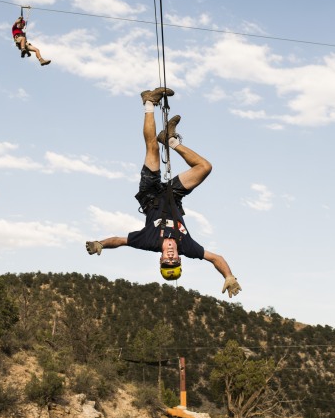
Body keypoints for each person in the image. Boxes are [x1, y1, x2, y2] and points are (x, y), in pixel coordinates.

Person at [85, 86, 242, 298]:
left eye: (167, 262)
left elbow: (119, 241)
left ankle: (148, 102)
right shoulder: (188, 247)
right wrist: (229, 276)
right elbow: (216, 258)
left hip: (150, 195)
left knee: (151, 150)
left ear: (160, 260)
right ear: (179, 258)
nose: (170, 257)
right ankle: (170, 139)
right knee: (205, 167)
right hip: (172, 195)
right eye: (174, 261)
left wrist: (100, 243)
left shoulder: (148, 242)